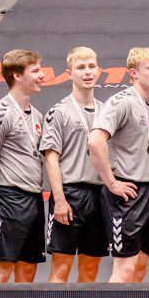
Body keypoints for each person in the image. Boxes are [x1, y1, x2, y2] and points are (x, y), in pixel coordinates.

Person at [88, 47, 149, 283]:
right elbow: (95, 141)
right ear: (134, 73)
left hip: (146, 193)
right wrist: (112, 183)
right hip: (124, 195)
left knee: (140, 267)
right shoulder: (121, 101)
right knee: (125, 268)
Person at [0, 49, 48, 283]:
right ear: (17, 76)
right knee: (2, 270)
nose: (42, 75)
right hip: (9, 199)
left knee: (28, 269)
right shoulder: (0, 114)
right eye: (36, 71)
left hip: (34, 198)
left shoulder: (37, 115)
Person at [41, 46, 107, 283]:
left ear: (99, 70)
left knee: (91, 267)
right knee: (62, 267)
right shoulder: (58, 112)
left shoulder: (107, 111)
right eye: (81, 68)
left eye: (91, 67)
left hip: (100, 194)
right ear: (69, 73)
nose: (87, 72)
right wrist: (59, 200)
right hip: (70, 194)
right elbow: (51, 159)